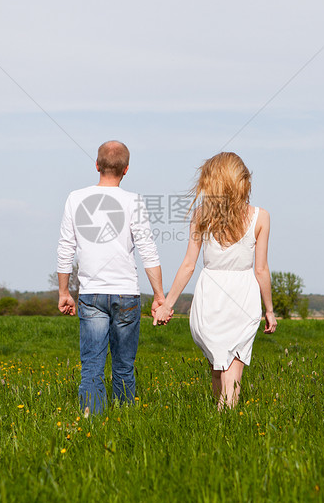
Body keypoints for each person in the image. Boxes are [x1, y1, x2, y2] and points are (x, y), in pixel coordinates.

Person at [154, 152, 277, 409]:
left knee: (216, 366)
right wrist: (269, 310)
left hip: (210, 293)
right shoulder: (260, 217)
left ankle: (218, 420)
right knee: (233, 367)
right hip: (243, 294)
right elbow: (261, 270)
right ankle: (226, 423)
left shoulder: (201, 215)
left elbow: (188, 265)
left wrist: (167, 304)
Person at [57, 140, 167, 414]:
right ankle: (124, 419)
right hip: (127, 294)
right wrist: (159, 296)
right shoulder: (134, 202)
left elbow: (65, 248)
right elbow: (148, 251)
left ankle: (92, 420)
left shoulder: (75, 198)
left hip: (91, 294)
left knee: (92, 364)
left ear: (96, 165)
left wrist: (64, 292)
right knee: (123, 366)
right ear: (126, 169)